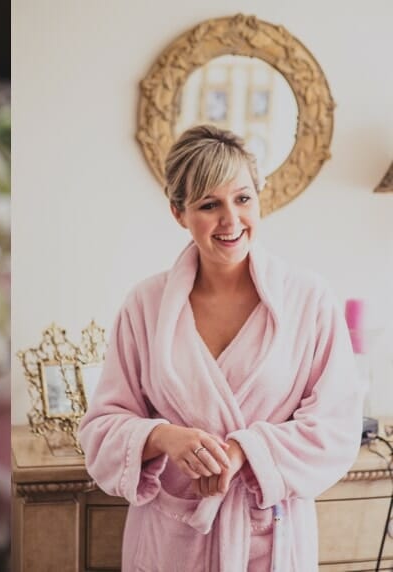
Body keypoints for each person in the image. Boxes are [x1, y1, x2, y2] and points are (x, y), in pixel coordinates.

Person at [77, 125, 364, 571]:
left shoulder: (308, 300)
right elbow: (99, 432)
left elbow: (336, 428)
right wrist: (161, 436)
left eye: (243, 198)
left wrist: (244, 451)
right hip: (171, 543)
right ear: (179, 213)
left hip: (270, 538)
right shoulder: (145, 306)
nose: (230, 220)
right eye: (209, 205)